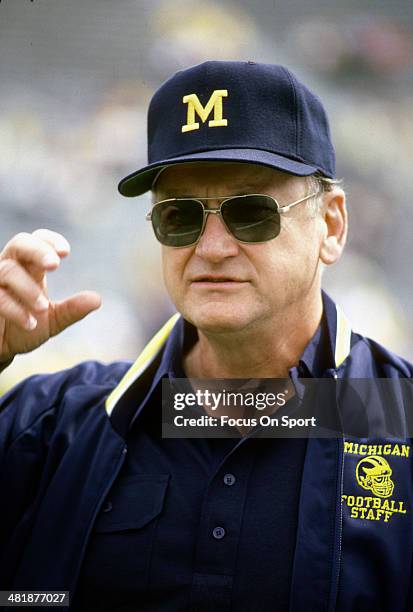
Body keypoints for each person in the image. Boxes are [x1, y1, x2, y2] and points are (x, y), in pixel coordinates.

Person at [0, 60, 412, 612]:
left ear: (332, 226)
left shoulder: (398, 415)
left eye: (250, 211)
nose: (211, 247)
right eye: (179, 216)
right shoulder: (52, 426)